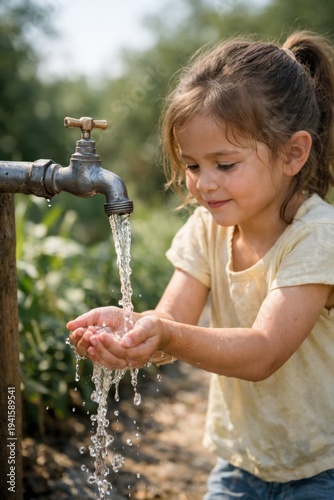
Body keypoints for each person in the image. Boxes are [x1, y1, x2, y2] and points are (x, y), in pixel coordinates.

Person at [67, 31, 334, 498]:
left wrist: (164, 335)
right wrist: (134, 331)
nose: (204, 184)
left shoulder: (317, 236)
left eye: (225, 165)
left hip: (322, 467)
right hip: (239, 463)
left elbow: (263, 352)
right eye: (192, 166)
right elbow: (171, 321)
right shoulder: (206, 228)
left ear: (293, 153)